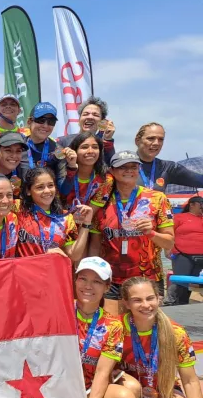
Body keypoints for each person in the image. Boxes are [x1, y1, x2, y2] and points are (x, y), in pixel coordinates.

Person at [36, 258, 137, 398]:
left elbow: (102, 372)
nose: (88, 286)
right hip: (56, 386)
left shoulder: (113, 325)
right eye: (83, 279)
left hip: (89, 389)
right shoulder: (58, 311)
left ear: (107, 287)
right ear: (75, 281)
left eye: (97, 281)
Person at [119, 277, 203, 398]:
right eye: (137, 300)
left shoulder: (176, 333)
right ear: (126, 303)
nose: (146, 305)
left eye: (150, 298)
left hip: (159, 390)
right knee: (129, 387)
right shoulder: (116, 327)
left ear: (158, 298)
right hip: (126, 388)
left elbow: (190, 380)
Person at [88, 151, 175, 314]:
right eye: (123, 167)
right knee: (114, 325)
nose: (129, 170)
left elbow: (169, 242)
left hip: (148, 277)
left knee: (146, 325)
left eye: (133, 167)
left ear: (139, 169)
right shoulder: (102, 202)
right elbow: (94, 246)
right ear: (112, 171)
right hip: (111, 278)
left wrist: (151, 233)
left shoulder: (157, 199)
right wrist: (94, 274)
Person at [15, 167, 91, 261]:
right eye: (40, 187)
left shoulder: (66, 218)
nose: (47, 191)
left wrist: (86, 224)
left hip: (52, 269)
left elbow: (74, 255)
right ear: (28, 191)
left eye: (50, 185)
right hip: (24, 269)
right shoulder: (18, 208)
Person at [135, 123, 203, 192]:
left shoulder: (167, 168)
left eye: (161, 139)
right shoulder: (128, 164)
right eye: (151, 138)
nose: (156, 143)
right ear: (137, 140)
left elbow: (199, 180)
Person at [21, 102, 75, 186]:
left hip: (46, 194)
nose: (45, 125)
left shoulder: (58, 151)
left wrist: (72, 167)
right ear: (29, 121)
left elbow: (64, 189)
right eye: (41, 120)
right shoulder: (18, 146)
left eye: (51, 121)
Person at [58, 132, 110, 211]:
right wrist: (72, 167)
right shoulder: (63, 173)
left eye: (95, 147)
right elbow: (62, 193)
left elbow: (91, 212)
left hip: (88, 217)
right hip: (63, 217)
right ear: (74, 151)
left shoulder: (106, 179)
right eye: (84, 147)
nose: (90, 151)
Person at [56, 96, 116, 165]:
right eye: (85, 114)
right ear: (79, 120)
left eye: (95, 115)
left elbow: (111, 166)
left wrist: (108, 139)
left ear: (102, 122)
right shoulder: (62, 142)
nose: (90, 117)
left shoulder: (105, 144)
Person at [166, 196, 203, 305]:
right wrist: (167, 248)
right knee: (180, 280)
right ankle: (172, 302)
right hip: (182, 253)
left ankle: (183, 303)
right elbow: (168, 233)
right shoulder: (179, 217)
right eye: (201, 203)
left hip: (201, 255)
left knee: (193, 280)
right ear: (192, 205)